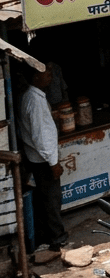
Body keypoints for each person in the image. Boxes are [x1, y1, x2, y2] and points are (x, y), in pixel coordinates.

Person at [19, 65, 66, 251]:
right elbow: (41, 136)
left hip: (37, 158)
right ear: (35, 77)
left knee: (44, 199)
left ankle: (45, 237)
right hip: (42, 160)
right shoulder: (34, 100)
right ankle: (57, 238)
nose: (50, 75)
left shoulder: (32, 96)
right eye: (45, 72)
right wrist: (53, 162)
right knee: (51, 200)